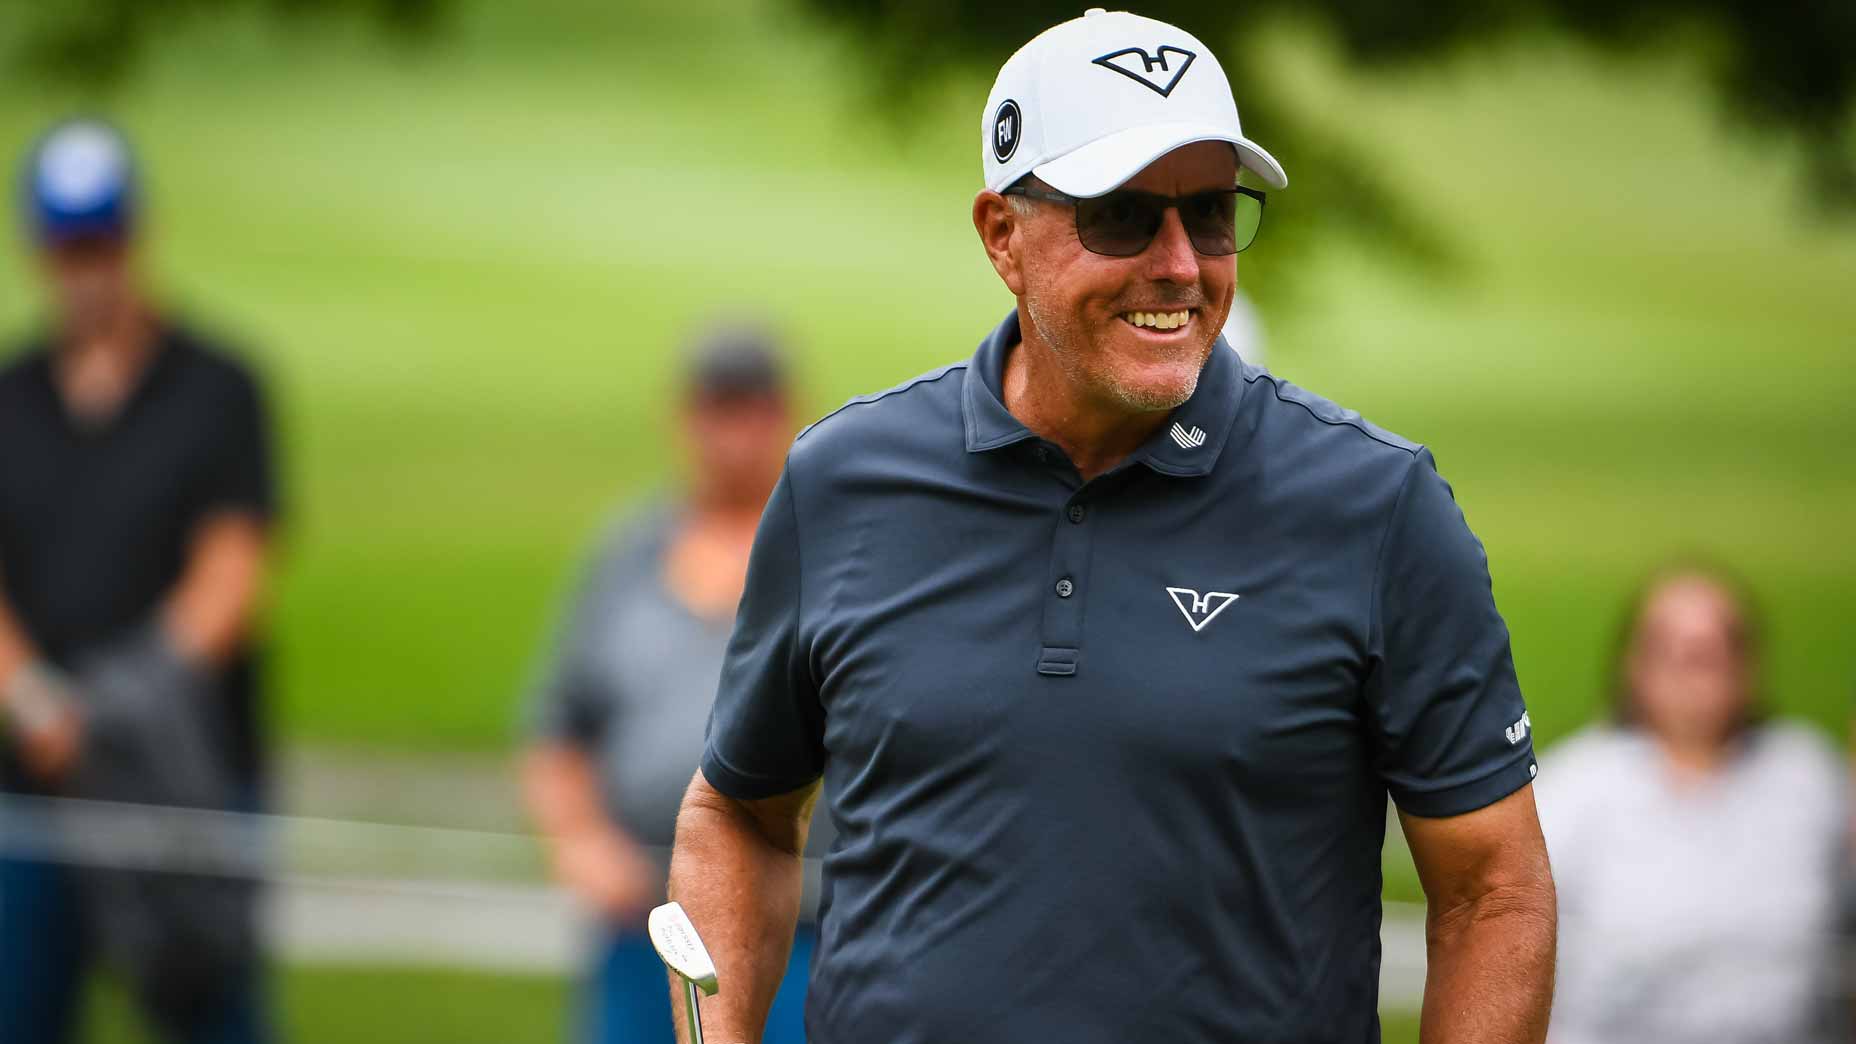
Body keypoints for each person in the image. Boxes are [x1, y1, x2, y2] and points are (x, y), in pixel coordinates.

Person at [669, 10, 1555, 1044]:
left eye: (1211, 213)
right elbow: (736, 814)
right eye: (1124, 217)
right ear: (1002, 235)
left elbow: (1493, 890)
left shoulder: (1376, 508)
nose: (1179, 264)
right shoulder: (843, 482)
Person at [0, 118, 279, 1043]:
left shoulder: (219, 385)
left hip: (184, 770)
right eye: (70, 244)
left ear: (136, 234)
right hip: (33, 776)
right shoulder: (10, 396)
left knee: (211, 1010)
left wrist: (109, 712)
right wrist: (37, 702)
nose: (89, 265)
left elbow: (230, 579)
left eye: (104, 240)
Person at [523, 326, 822, 1044]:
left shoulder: (827, 549)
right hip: (645, 923)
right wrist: (580, 842)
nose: (736, 435)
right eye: (719, 410)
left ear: (788, 414)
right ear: (686, 417)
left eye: (754, 410)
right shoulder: (630, 551)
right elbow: (561, 726)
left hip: (801, 928)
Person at [1539, 564, 1846, 1044]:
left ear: (1750, 664)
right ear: (1633, 664)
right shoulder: (1570, 788)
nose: (1695, 670)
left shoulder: (1809, 778)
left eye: (1715, 650)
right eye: (1673, 649)